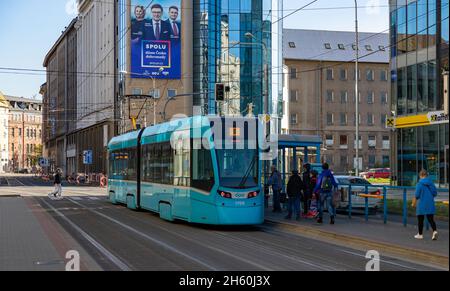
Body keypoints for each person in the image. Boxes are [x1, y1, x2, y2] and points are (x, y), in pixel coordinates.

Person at [413, 169, 438, 240]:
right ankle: (434, 231)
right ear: (426, 175)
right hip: (430, 203)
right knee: (431, 219)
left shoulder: (419, 184)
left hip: (421, 203)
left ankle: (420, 234)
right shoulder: (431, 183)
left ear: (420, 175)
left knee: (420, 219)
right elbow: (435, 193)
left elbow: (417, 195)